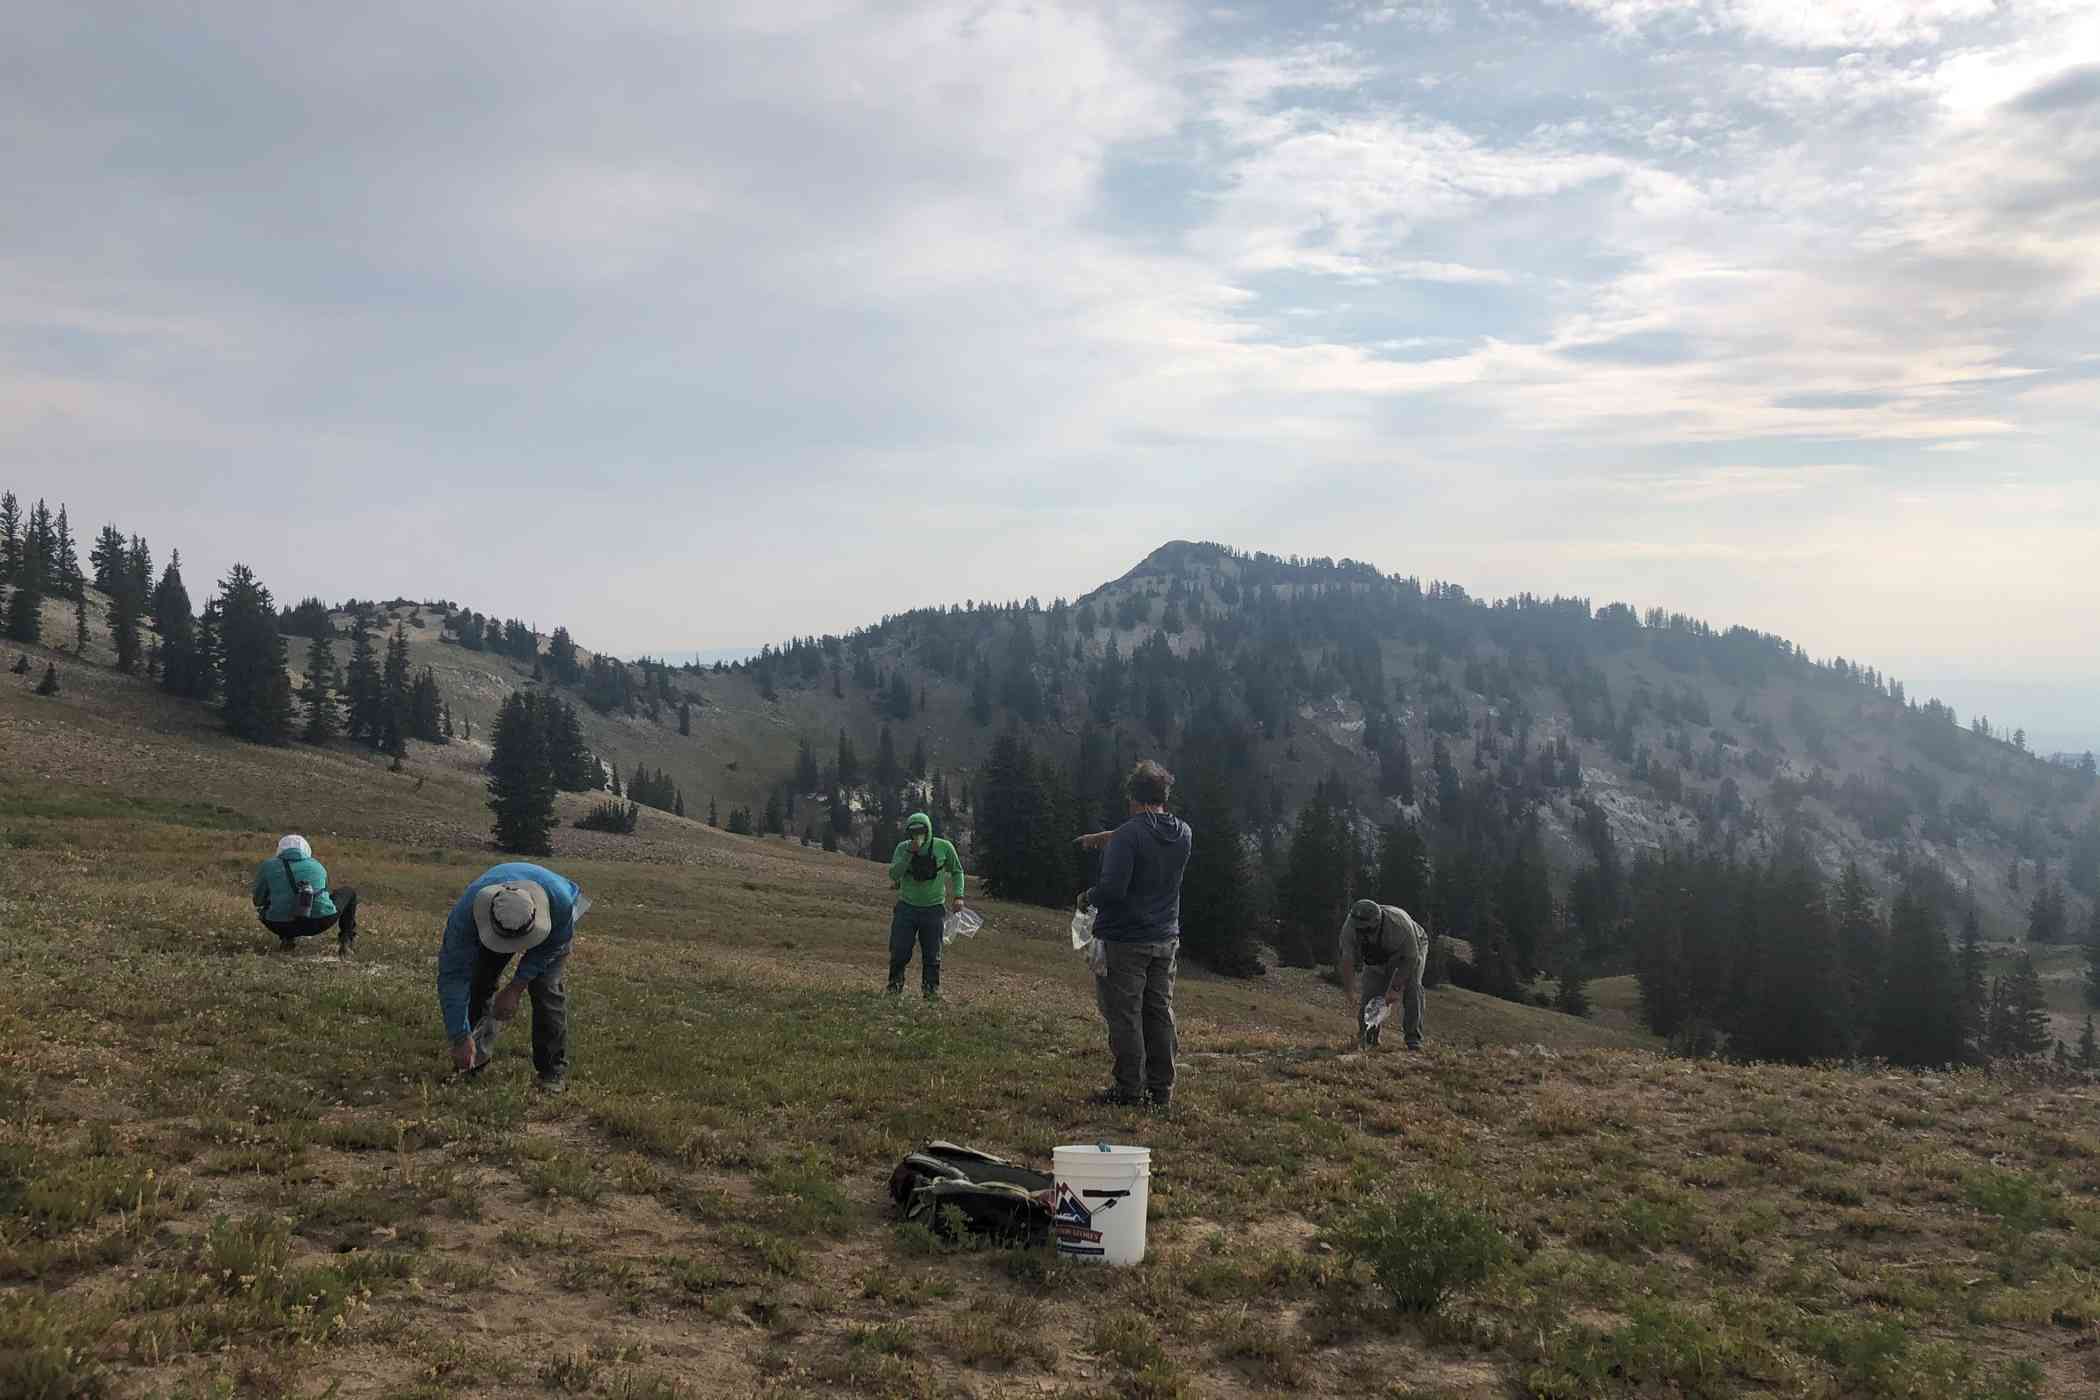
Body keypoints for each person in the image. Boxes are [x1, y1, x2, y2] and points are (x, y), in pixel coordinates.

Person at [1075, 761, 1191, 1109]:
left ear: (1132, 797)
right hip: (1166, 937)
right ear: (1163, 796)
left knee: (1124, 1014)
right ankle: (1161, 1090)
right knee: (1158, 1012)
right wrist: (1109, 837)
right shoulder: (1183, 832)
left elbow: (1113, 889)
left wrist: (1086, 897)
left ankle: (1128, 1090)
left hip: (1126, 939)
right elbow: (1146, 835)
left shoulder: (1129, 835)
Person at [437, 862, 584, 1093]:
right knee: (480, 982)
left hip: (553, 927)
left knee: (546, 988)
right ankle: (473, 1061)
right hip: (494, 922)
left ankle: (551, 1071)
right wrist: (459, 1036)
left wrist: (516, 987)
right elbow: (453, 975)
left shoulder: (561, 904)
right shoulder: (465, 916)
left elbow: (551, 948)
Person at [886, 811, 965, 999]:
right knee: (899, 949)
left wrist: (959, 896)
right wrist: (908, 855)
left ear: (928, 830)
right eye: (912, 832)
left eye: (921, 831)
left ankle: (930, 992)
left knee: (932, 953)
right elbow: (894, 875)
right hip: (907, 907)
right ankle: (894, 988)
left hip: (933, 909)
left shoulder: (944, 847)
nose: (917, 835)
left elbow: (957, 870)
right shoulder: (902, 848)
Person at [1340, 898, 1428, 1051]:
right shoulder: (1350, 926)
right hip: (1377, 957)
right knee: (1371, 995)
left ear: (1377, 922)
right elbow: (1347, 958)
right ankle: (1368, 1037)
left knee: (1412, 989)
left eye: (1366, 929)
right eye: (1359, 929)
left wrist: (1395, 988)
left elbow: (1411, 958)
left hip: (1412, 950)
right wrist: (1348, 990)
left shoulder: (1399, 926)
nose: (1362, 932)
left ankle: (1414, 1040)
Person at [251, 834, 360, 957]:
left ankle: (287, 940)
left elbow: (258, 900)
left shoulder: (268, 866)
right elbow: (324, 895)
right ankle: (346, 940)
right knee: (349, 892)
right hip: (319, 922)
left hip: (279, 925)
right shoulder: (317, 866)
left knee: (280, 901)